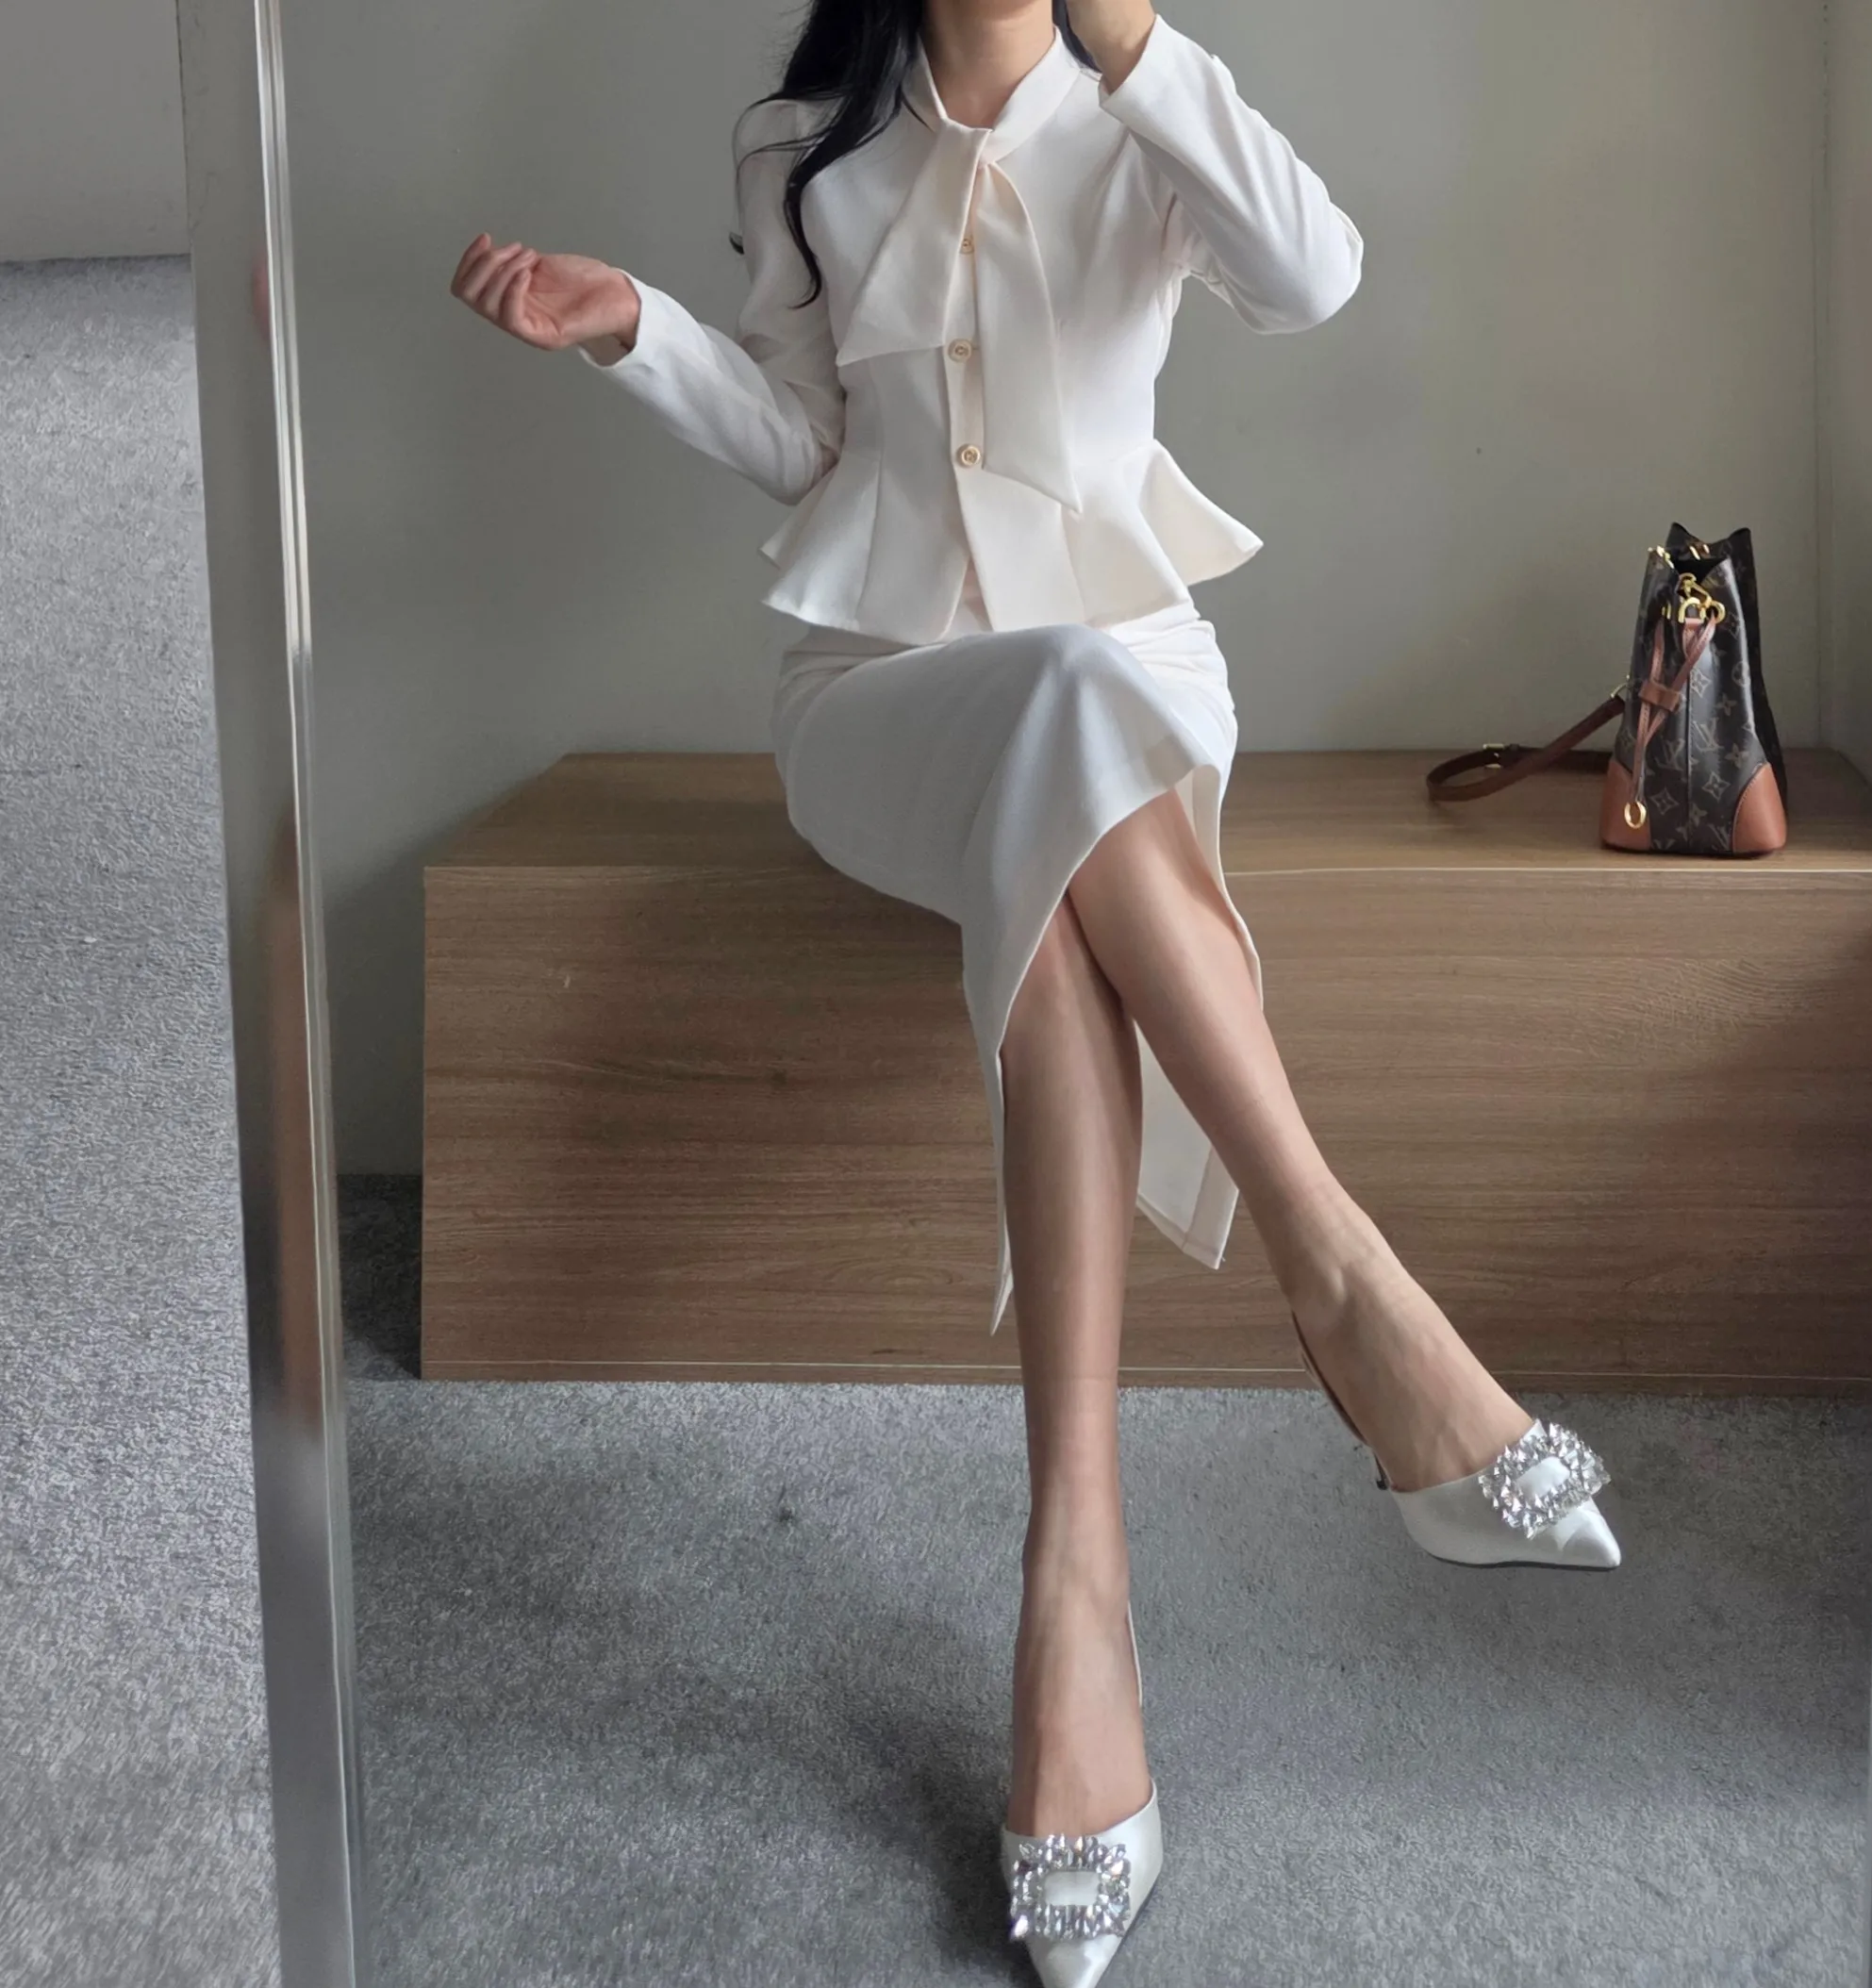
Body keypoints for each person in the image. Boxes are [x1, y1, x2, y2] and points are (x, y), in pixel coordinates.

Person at [451, 3, 1619, 1979]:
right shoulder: (803, 140)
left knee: (1071, 808)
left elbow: (1314, 277)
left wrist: (1141, 43)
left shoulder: (1148, 103)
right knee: (1053, 737)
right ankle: (1345, 1283)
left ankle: (1075, 1587)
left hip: (1133, 675)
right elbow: (812, 444)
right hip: (884, 693)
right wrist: (635, 330)